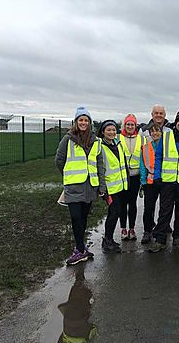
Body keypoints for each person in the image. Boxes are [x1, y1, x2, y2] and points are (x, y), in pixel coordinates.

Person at [55, 106, 105, 265]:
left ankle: (81, 248)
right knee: (75, 217)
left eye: (86, 120)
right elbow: (59, 160)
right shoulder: (68, 139)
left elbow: (99, 164)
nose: (83, 123)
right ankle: (79, 248)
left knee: (83, 218)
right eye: (81, 120)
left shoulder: (96, 141)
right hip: (74, 186)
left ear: (89, 123)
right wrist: (68, 175)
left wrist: (101, 186)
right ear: (76, 122)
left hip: (90, 185)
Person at [149, 108, 179, 253]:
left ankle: (178, 237)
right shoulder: (166, 136)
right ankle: (160, 239)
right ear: (176, 122)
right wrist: (157, 175)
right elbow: (158, 157)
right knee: (165, 210)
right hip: (167, 181)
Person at [98, 119, 129, 253]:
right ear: (103, 132)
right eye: (108, 130)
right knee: (113, 214)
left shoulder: (118, 144)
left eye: (113, 130)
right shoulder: (100, 147)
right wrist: (102, 189)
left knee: (116, 213)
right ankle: (107, 241)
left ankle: (109, 239)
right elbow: (100, 169)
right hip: (110, 188)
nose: (111, 132)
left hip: (121, 186)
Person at [119, 114, 144, 240]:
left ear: (135, 126)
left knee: (132, 203)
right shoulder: (118, 138)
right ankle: (123, 228)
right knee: (123, 203)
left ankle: (132, 229)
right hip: (122, 175)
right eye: (128, 124)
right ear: (124, 125)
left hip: (135, 176)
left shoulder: (141, 138)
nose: (130, 126)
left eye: (132, 124)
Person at [139, 123, 163, 244]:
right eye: (152, 131)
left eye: (157, 130)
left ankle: (161, 228)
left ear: (161, 132)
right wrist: (143, 181)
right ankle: (147, 231)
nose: (155, 133)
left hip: (163, 180)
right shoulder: (145, 147)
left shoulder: (166, 146)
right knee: (148, 208)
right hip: (150, 181)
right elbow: (142, 165)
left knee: (164, 207)